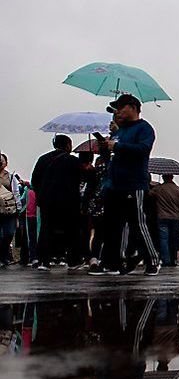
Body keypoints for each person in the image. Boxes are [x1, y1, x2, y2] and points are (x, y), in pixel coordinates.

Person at [90, 96, 159, 275]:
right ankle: (113, 262)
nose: (118, 111)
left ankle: (152, 260)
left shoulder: (144, 129)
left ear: (133, 107)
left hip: (134, 184)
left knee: (137, 223)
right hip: (114, 185)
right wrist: (105, 148)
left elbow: (143, 150)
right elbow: (110, 158)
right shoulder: (119, 131)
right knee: (112, 225)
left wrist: (117, 146)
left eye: (120, 107)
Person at [33, 136, 83, 271]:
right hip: (69, 201)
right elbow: (81, 179)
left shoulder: (43, 159)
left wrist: (41, 195)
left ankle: (43, 261)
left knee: (46, 229)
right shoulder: (73, 161)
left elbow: (35, 180)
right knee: (72, 230)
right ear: (68, 145)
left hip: (47, 201)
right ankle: (73, 261)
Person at [149, 174, 179, 267]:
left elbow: (148, 194)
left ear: (163, 178)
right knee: (173, 240)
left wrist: (154, 185)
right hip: (175, 218)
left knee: (163, 239)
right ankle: (173, 260)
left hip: (162, 217)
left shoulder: (159, 189)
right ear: (172, 177)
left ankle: (166, 260)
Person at [0, 153, 22, 268]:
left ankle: (4, 256)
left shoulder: (10, 177)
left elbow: (16, 193)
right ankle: (2, 257)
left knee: (8, 233)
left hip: (9, 210)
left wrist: (18, 207)